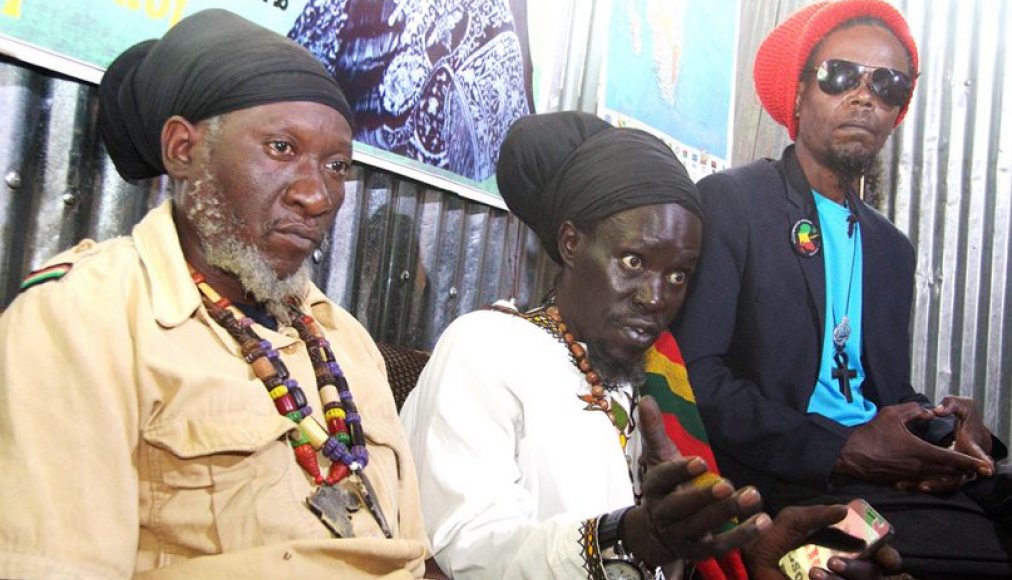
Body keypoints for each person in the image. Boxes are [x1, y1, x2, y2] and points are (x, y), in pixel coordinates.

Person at [0, 9, 430, 578]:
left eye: (336, 165)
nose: (317, 194)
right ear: (183, 149)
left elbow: (411, 551)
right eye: (281, 147)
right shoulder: (83, 317)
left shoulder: (344, 339)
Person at [401, 111, 899, 580]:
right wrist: (632, 539)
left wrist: (766, 557)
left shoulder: (640, 381)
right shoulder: (488, 347)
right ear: (571, 242)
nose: (656, 298)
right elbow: (464, 553)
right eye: (634, 262)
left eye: (679, 274)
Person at [672, 0, 1012, 576]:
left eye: (888, 84)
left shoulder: (891, 250)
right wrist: (841, 447)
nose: (864, 96)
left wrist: (942, 427)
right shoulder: (734, 202)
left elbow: (876, 389)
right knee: (956, 560)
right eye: (840, 76)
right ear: (799, 95)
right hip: (788, 481)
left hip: (883, 482)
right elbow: (699, 379)